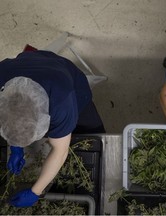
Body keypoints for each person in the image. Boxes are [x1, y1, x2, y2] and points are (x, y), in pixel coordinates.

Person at [0, 49, 105, 207]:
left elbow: (60, 151)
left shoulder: (62, 101)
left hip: (64, 75)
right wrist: (15, 145)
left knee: (90, 127)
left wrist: (35, 191)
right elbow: (13, 114)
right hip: (30, 62)